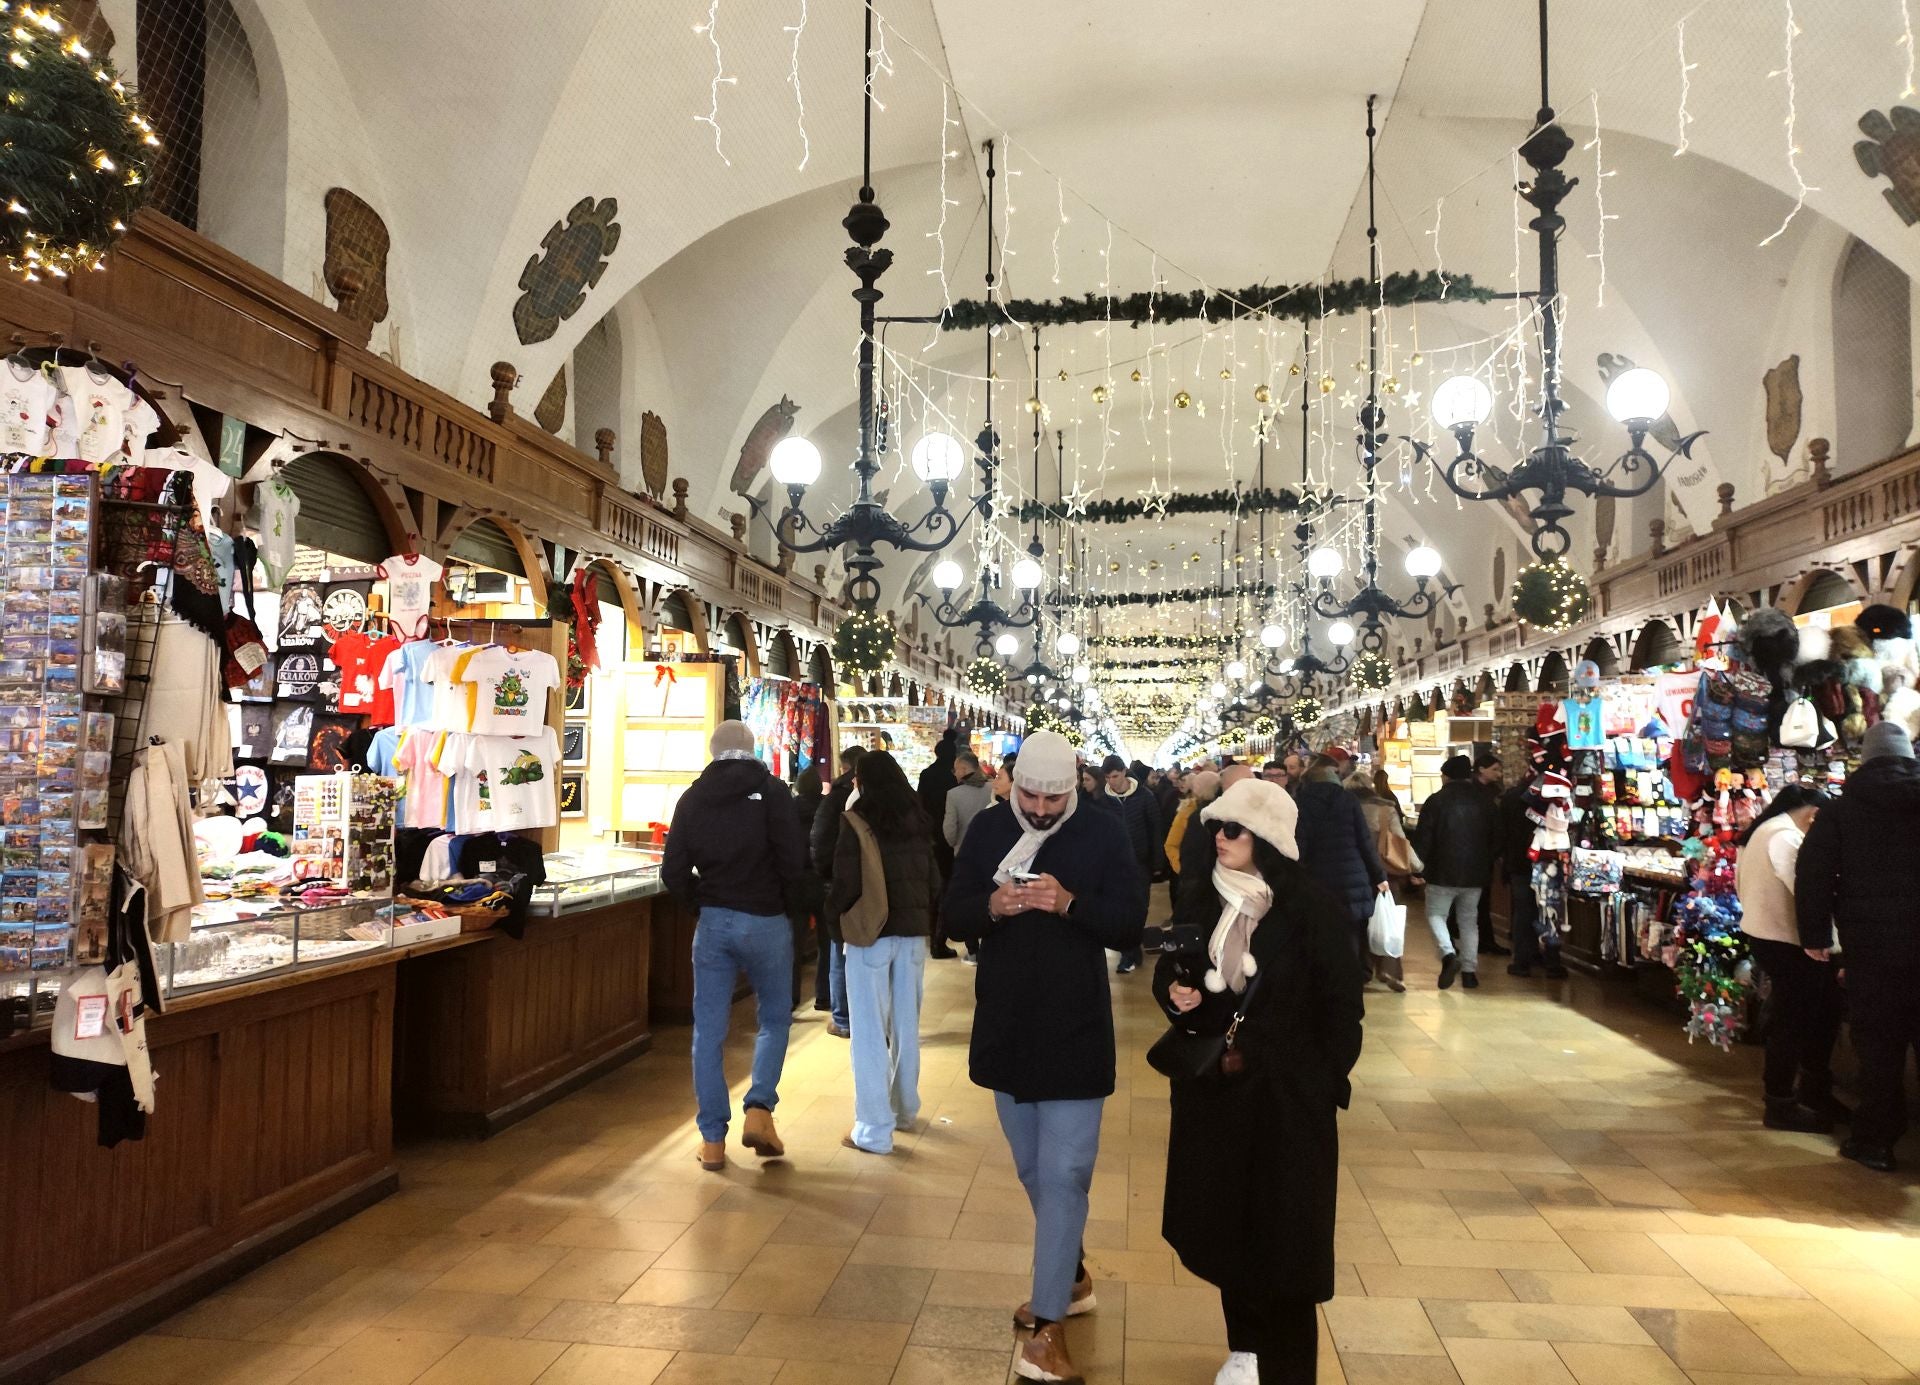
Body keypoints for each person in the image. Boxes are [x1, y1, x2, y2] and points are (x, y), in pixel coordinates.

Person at [944, 730, 1147, 1385]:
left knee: (1064, 1174)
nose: (1037, 806)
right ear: (1014, 782)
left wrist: (1068, 903)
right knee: (1034, 1169)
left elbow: (1128, 922)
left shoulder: (1104, 831)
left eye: (1051, 796)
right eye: (1028, 793)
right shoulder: (985, 830)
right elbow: (950, 912)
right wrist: (992, 906)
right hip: (1007, 1024)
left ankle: (1047, 1329)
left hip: (1076, 1028)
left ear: (1073, 786)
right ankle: (1072, 1274)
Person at [1153, 777, 1365, 1385]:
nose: (1219, 838)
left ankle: (1291, 1368)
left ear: (1266, 840)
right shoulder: (1199, 899)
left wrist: (1321, 1081)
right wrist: (1177, 995)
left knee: (1288, 1236)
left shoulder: (1308, 907)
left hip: (1287, 1099)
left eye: (1234, 829)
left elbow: (1341, 1003)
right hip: (1217, 1092)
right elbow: (1170, 972)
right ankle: (1244, 1345)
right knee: (1228, 1225)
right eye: (1217, 827)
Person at [662, 719, 809, 1172]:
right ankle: (760, 1108)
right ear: (751, 749)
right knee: (774, 1018)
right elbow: (793, 861)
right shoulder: (774, 793)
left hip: (715, 922)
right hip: (767, 920)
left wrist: (701, 903)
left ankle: (711, 1141)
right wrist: (792, 912)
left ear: (713, 750)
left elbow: (673, 870)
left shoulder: (692, 798)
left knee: (708, 1031)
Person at [1799, 721, 1920, 1173]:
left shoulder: (1842, 809)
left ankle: (1875, 1142)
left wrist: (1815, 937)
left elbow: (1813, 875)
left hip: (1872, 947)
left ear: (1865, 759)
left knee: (1879, 1046)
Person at [828, 751, 937, 1155]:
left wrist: (833, 919)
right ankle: (905, 1108)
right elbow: (933, 880)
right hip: (911, 935)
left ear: (862, 781)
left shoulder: (856, 821)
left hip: (869, 935)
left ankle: (874, 1128)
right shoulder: (917, 820)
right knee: (907, 1024)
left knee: (870, 1032)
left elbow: (844, 883)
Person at [1736, 784, 1839, 1133]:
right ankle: (1781, 1102)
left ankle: (1810, 1094)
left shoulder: (1761, 833)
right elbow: (1808, 890)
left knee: (1809, 1016)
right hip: (1789, 941)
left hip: (1771, 937)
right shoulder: (1784, 837)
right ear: (1814, 815)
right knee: (1794, 1022)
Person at [1411, 754, 1499, 991]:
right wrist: (1487, 862)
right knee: (1470, 921)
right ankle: (1470, 972)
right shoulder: (1485, 801)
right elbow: (1496, 837)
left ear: (1447, 776)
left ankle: (1449, 954)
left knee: (1436, 915)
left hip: (1442, 871)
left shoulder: (1436, 801)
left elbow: (1424, 837)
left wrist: (1417, 867)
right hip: (1475, 873)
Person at [1291, 755, 1387, 961]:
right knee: (1352, 934)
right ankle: (1353, 980)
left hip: (1319, 879)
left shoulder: (1301, 802)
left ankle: (1328, 982)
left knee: (1322, 935)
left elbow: (1300, 845)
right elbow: (1364, 841)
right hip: (1353, 878)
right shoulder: (1347, 799)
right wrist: (1379, 876)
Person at [811, 745, 867, 1037]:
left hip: (839, 882)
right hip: (872, 892)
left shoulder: (834, 799)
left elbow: (819, 841)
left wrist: (826, 876)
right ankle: (863, 1017)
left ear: (846, 768)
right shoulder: (884, 800)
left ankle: (841, 1017)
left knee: (836, 949)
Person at [1347, 770, 1418, 993]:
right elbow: (1400, 839)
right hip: (1385, 873)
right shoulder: (1386, 809)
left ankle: (1361, 970)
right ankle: (1389, 969)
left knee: (1357, 923)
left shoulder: (1343, 809)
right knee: (1387, 920)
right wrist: (1417, 867)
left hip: (1353, 873)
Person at [1499, 761, 1567, 980]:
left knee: (1524, 912)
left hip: (1520, 865)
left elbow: (1503, 832)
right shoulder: (1560, 798)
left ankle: (1523, 961)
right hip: (1550, 865)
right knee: (1551, 911)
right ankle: (1552, 961)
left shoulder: (1512, 798)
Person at [1102, 753, 1162, 974]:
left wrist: (1157, 861)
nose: (1111, 781)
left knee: (1138, 907)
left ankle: (1131, 949)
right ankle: (1129, 951)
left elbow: (1156, 829)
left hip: (1139, 862)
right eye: (1107, 777)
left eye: (1115, 776)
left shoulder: (1144, 796)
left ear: (1124, 772)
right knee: (1119, 908)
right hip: (1113, 865)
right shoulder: (1104, 800)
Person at [917, 729, 962, 960]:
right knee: (946, 888)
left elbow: (920, 803)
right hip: (948, 838)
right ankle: (940, 938)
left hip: (929, 836)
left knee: (932, 887)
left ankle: (930, 931)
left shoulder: (926, 774)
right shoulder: (952, 778)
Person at [1471, 750, 1511, 959]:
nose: (1499, 773)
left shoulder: (1494, 792)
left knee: (1483, 900)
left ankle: (1485, 940)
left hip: (1486, 854)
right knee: (1477, 901)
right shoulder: (1478, 795)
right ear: (1481, 770)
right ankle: (1481, 940)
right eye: (1494, 769)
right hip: (1479, 854)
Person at [1164, 769, 1221, 904]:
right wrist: (1183, 869)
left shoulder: (1221, 811)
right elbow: (1171, 844)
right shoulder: (1188, 810)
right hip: (1194, 877)